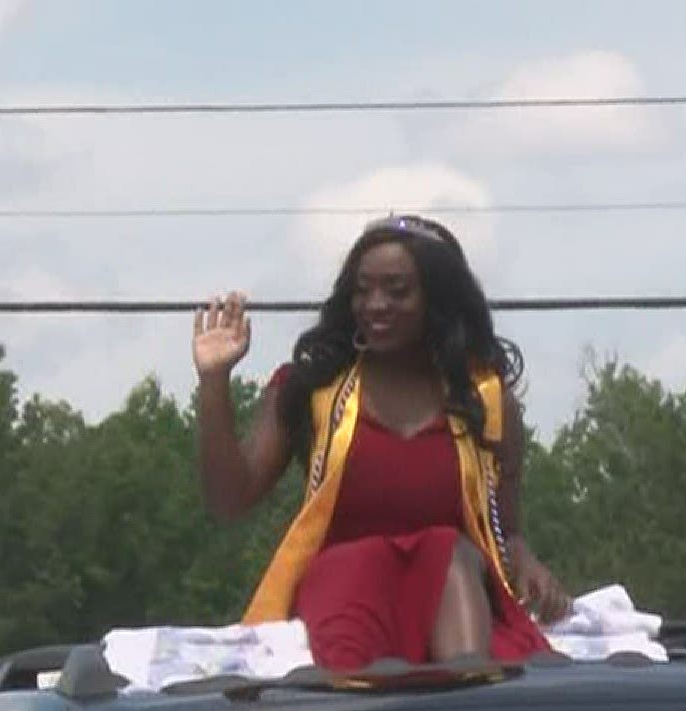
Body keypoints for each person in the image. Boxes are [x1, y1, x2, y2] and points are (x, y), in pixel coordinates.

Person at [192, 214, 571, 670]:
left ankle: (466, 703)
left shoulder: (485, 399)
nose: (375, 304)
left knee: (448, 550)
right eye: (363, 290)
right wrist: (214, 381)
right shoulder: (313, 387)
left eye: (397, 290)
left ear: (437, 300)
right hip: (344, 582)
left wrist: (528, 563)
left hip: (455, 584)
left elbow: (505, 528)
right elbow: (229, 500)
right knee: (378, 568)